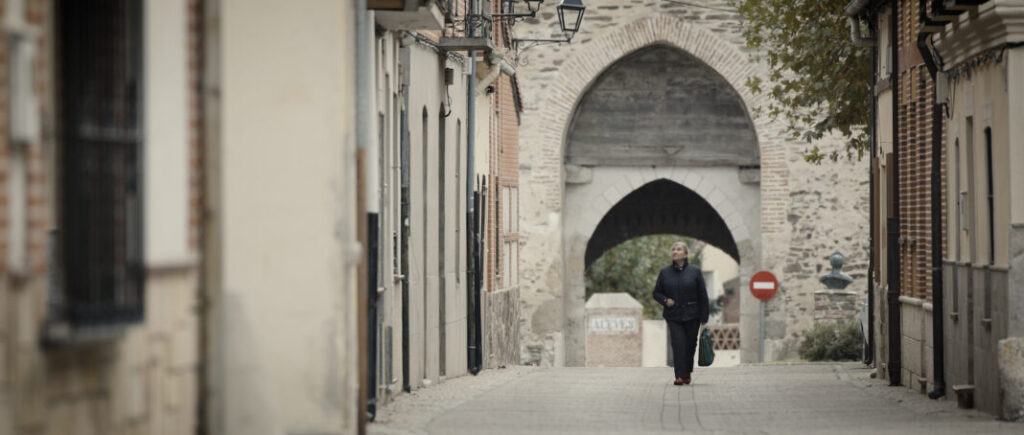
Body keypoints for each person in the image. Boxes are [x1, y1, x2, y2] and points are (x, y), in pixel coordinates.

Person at [652, 241, 709, 385]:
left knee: (690, 346)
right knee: (678, 345)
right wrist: (665, 300)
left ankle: (687, 372)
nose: (675, 252)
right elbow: (656, 292)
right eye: (673, 250)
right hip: (674, 316)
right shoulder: (665, 272)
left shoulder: (695, 272)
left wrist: (704, 316)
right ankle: (678, 376)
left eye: (678, 249)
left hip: (692, 315)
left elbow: (702, 294)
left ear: (685, 254)